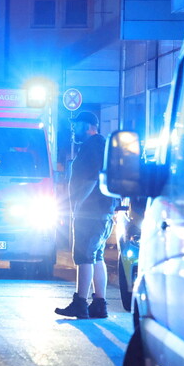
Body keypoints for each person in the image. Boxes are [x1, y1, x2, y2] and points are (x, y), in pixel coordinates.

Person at [55, 110, 116, 319]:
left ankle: (80, 303)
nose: (73, 129)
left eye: (77, 125)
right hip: (103, 211)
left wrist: (78, 205)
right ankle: (99, 303)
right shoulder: (103, 145)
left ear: (89, 126)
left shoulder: (92, 147)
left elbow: (91, 179)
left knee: (83, 256)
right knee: (96, 256)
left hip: (90, 212)